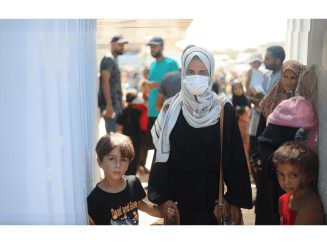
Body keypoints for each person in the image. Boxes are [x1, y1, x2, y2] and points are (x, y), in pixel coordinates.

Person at [148, 47, 252, 226]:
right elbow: (161, 157)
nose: (196, 77)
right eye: (190, 72)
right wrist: (163, 197)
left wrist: (234, 201)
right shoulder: (170, 108)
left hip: (213, 200)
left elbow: (235, 158)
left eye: (202, 72)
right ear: (183, 74)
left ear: (211, 74)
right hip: (178, 200)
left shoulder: (222, 109)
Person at [252, 60, 306, 226]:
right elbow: (261, 133)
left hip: (290, 167)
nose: (288, 82)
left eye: (293, 78)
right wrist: (257, 156)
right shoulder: (270, 100)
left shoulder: (303, 104)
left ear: (300, 80)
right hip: (270, 164)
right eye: (285, 76)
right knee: (268, 210)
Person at [87, 133, 175, 226]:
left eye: (123, 160)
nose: (118, 165)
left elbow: (141, 205)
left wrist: (165, 213)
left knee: (162, 224)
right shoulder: (95, 198)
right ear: (100, 162)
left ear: (129, 163)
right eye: (112, 159)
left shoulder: (133, 182)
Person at [248, 46, 285, 186]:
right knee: (254, 153)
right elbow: (262, 98)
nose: (263, 61)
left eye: (267, 58)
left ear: (278, 61)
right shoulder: (267, 76)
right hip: (259, 118)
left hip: (270, 124)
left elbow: (269, 103)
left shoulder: (282, 78)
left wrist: (256, 101)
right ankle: (258, 192)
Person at [143, 37, 179, 164]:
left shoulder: (171, 63)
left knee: (165, 148)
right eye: (151, 47)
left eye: (155, 46)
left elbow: (175, 84)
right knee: (156, 148)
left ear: (162, 47)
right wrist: (146, 83)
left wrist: (156, 84)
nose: (152, 49)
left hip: (166, 111)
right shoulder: (152, 65)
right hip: (152, 111)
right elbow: (149, 87)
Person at [274, 141, 326, 226]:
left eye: (294, 175)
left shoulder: (312, 206)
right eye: (281, 174)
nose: (286, 182)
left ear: (311, 175)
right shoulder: (283, 199)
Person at [98, 35, 128, 134]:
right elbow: (104, 81)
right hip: (111, 106)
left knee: (116, 137)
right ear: (112, 44)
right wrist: (109, 105)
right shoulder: (108, 59)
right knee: (112, 138)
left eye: (123, 45)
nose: (122, 47)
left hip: (116, 105)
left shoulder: (114, 59)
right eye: (119, 44)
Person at [155, 45, 196, 111]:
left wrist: (173, 110)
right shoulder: (202, 79)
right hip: (195, 120)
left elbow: (158, 106)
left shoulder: (167, 77)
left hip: (173, 120)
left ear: (182, 59)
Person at [116, 89, 144, 175]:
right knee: (134, 160)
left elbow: (119, 129)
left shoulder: (122, 112)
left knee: (125, 159)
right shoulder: (139, 112)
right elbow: (143, 126)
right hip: (136, 140)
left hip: (124, 141)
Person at [231, 80, 252, 177]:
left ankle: (248, 171)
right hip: (237, 130)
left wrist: (240, 109)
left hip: (246, 130)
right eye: (235, 88)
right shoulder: (231, 102)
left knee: (247, 149)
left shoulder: (246, 100)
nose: (238, 90)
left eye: (239, 88)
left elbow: (247, 111)